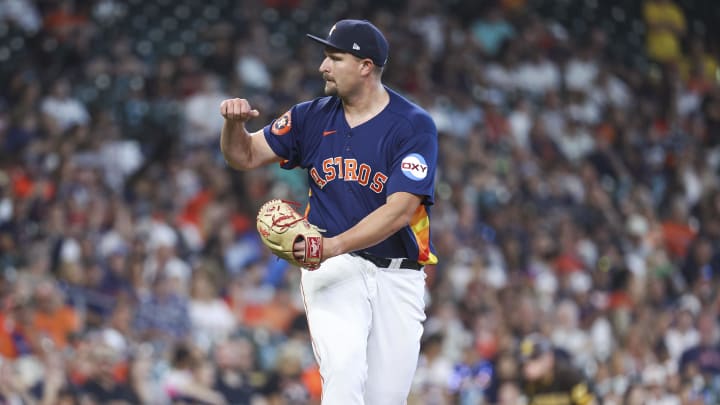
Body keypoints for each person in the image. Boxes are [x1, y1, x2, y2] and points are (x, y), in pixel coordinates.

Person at [219, 19, 438, 404]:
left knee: (386, 398)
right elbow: (245, 154)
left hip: (398, 276)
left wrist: (332, 245)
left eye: (334, 58)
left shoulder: (413, 125)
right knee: (344, 371)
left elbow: (400, 211)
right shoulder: (310, 116)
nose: (323, 67)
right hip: (333, 268)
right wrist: (233, 127)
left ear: (365, 66)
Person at [519, 333, 596, 405]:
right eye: (525, 362)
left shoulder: (569, 377)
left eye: (534, 359)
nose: (528, 366)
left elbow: (589, 402)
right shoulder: (526, 383)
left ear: (549, 358)